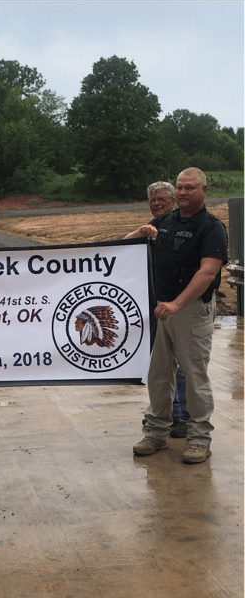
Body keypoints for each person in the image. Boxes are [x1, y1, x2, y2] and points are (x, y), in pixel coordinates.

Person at [131, 167, 228, 464]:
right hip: (160, 309)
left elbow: (207, 272)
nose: (184, 192)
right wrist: (139, 233)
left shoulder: (211, 227)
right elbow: (124, 250)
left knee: (194, 376)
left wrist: (176, 304)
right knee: (158, 375)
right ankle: (157, 432)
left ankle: (199, 439)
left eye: (190, 187)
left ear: (204, 190)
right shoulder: (163, 221)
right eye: (180, 187)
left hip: (190, 310)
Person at [126, 181, 190, 438]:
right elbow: (120, 248)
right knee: (160, 365)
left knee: (185, 366)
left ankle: (183, 416)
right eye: (153, 200)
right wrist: (139, 233)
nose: (157, 204)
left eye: (162, 199)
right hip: (153, 306)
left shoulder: (184, 228)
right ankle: (165, 412)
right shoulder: (149, 229)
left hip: (182, 305)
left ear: (173, 201)